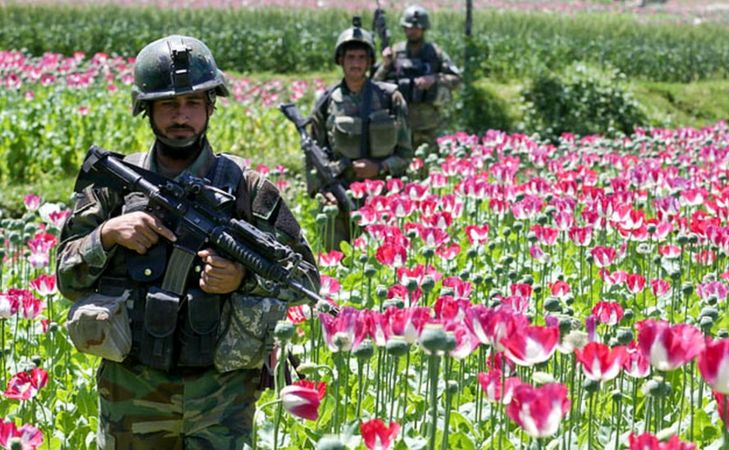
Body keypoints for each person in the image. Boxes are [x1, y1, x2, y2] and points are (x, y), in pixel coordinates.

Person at [56, 35, 319, 449]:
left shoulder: (249, 189)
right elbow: (66, 278)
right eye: (168, 104)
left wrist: (243, 278)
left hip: (222, 399)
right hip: (131, 395)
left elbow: (305, 281)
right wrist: (107, 235)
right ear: (146, 110)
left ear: (211, 106)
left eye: (193, 102)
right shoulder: (113, 188)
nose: (181, 115)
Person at [309, 18, 412, 250]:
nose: (356, 63)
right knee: (334, 259)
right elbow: (312, 154)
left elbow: (406, 155)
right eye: (350, 57)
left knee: (381, 258)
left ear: (370, 62)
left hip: (382, 197)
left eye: (361, 57)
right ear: (340, 60)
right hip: (337, 194)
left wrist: (380, 167)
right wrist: (322, 190)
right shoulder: (326, 102)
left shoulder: (390, 98)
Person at [373, 4, 461, 155]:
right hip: (400, 124)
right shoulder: (395, 52)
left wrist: (435, 78)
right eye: (409, 27)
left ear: (424, 29)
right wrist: (386, 65)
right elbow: (376, 83)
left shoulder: (435, 53)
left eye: (416, 28)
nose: (412, 31)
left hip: (428, 124)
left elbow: (456, 79)